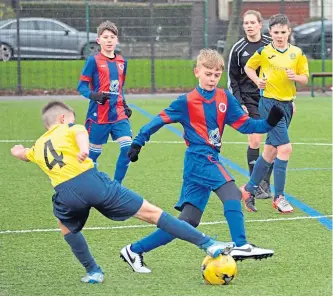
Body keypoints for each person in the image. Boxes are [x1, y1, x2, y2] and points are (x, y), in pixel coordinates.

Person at [10, 101, 235, 284]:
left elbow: (24, 154)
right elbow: (80, 135)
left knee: (66, 228)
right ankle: (208, 243)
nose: (74, 122)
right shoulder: (71, 128)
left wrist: (18, 150)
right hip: (91, 182)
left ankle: (94, 271)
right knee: (151, 213)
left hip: (65, 194)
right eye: (71, 118)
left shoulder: (39, 146)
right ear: (62, 119)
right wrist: (84, 150)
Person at [119, 49, 283, 274]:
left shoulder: (225, 98)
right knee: (233, 193)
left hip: (205, 160)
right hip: (199, 158)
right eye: (208, 73)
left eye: (216, 75)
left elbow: (247, 125)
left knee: (188, 221)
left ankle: (134, 250)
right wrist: (138, 141)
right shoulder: (185, 101)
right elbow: (158, 120)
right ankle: (241, 244)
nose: (212, 79)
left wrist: (269, 122)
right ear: (197, 72)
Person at [240, 13, 309, 213]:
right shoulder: (264, 51)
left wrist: (295, 76)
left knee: (270, 150)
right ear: (270, 32)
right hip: (270, 104)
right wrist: (257, 81)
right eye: (276, 32)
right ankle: (279, 197)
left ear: (289, 32)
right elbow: (248, 67)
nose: (279, 35)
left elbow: (304, 78)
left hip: (287, 105)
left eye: (283, 32)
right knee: (285, 148)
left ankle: (248, 189)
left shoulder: (297, 53)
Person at [77, 21, 132, 184]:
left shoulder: (122, 62)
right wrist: (93, 95)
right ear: (98, 40)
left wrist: (125, 104)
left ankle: (117, 185)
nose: (109, 40)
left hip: (118, 113)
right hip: (98, 115)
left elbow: (120, 87)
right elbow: (81, 86)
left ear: (117, 40)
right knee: (93, 154)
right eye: (105, 37)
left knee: (128, 148)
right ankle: (93, 185)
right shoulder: (93, 61)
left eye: (112, 37)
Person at [228, 10, 273, 201]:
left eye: (252, 22)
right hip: (248, 99)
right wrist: (239, 103)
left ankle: (265, 183)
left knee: (274, 143)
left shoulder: (270, 45)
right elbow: (232, 79)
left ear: (260, 24)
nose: (249, 26)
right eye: (246, 23)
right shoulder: (238, 49)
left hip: (270, 97)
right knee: (255, 140)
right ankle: (254, 185)